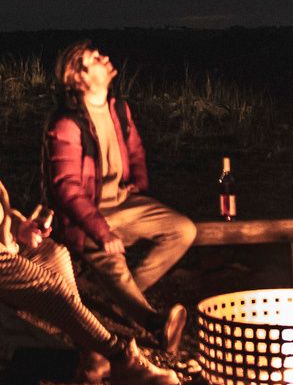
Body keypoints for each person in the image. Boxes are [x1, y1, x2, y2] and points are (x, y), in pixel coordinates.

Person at [0, 52, 182, 385]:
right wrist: (7, 226)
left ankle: (89, 350)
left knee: (55, 256)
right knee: (49, 290)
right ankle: (121, 360)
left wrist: (18, 226)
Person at [41, 41, 198, 354]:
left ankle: (128, 298)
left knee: (183, 230)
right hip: (84, 216)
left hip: (123, 203)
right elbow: (66, 188)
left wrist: (138, 180)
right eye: (95, 58)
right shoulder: (66, 125)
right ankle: (155, 323)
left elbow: (135, 148)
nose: (105, 58)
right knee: (111, 261)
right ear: (78, 76)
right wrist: (102, 231)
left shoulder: (118, 109)